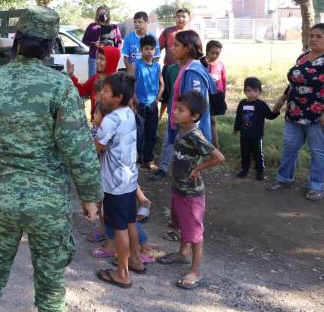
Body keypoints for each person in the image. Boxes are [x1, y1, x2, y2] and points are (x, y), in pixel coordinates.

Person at [0, 6, 102, 312]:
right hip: (48, 203)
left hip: (3, 198)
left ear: (17, 40)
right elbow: (77, 146)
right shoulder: (60, 86)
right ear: (51, 45)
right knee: (51, 289)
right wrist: (91, 196)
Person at [267, 23, 324, 201]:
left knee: (318, 150)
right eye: (311, 35)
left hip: (319, 115)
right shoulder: (302, 58)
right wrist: (281, 100)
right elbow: (294, 82)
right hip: (295, 111)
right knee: (290, 146)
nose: (313, 39)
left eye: (318, 36)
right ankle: (284, 178)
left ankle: (316, 186)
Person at [156, 92, 225, 290]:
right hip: (179, 188)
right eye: (175, 108)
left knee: (194, 232)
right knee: (182, 225)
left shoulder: (195, 134)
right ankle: (182, 254)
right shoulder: (182, 128)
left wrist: (198, 168)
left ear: (194, 116)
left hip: (191, 194)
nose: (174, 112)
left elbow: (218, 157)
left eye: (180, 110)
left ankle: (196, 270)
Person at [92, 73, 146, 288]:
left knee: (120, 227)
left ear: (118, 97)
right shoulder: (128, 112)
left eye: (105, 91)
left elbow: (98, 147)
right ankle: (135, 260)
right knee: (130, 220)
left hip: (114, 183)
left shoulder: (111, 119)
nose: (101, 94)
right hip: (129, 179)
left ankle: (123, 273)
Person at [152, 30, 216, 181]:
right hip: (181, 124)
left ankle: (191, 202)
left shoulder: (193, 72)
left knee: (189, 175)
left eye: (176, 45)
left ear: (187, 48)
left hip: (189, 131)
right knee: (181, 172)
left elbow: (195, 107)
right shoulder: (184, 67)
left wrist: (187, 131)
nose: (171, 48)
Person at [233, 77, 280, 180]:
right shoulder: (242, 103)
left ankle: (260, 171)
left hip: (257, 135)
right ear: (244, 91)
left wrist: (276, 112)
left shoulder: (261, 105)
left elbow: (269, 116)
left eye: (255, 91)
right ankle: (245, 169)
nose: (252, 93)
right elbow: (238, 117)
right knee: (244, 152)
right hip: (244, 135)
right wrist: (236, 129)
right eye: (249, 91)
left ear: (259, 92)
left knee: (258, 153)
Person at [134, 35, 164, 170]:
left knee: (151, 133)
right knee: (139, 134)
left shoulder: (157, 66)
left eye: (152, 49)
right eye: (146, 49)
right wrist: (135, 99)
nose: (149, 52)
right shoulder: (136, 65)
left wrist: (157, 99)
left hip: (153, 105)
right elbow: (130, 84)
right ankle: (137, 159)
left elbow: (162, 84)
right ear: (141, 50)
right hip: (139, 105)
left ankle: (149, 159)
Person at [67, 45, 121, 119]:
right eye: (97, 58)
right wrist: (71, 75)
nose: (97, 61)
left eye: (102, 59)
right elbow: (82, 90)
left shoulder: (117, 83)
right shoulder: (96, 78)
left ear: (111, 61)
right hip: (96, 124)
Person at [149, 59, 180, 181]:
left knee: (189, 144)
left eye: (177, 45)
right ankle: (163, 168)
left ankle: (190, 170)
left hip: (190, 116)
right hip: (173, 112)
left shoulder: (196, 68)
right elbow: (167, 93)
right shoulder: (171, 70)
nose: (172, 49)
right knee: (168, 141)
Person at [82, 5, 122, 77]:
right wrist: (94, 44)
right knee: (93, 81)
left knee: (110, 81)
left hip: (110, 59)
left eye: (104, 12)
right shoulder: (92, 26)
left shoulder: (114, 27)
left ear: (108, 14)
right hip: (95, 58)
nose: (102, 15)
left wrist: (116, 51)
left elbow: (119, 42)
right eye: (100, 13)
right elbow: (85, 40)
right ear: (97, 15)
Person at [206, 40, 227, 149]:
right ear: (207, 52)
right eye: (212, 53)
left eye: (217, 53)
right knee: (204, 120)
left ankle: (215, 145)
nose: (214, 55)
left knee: (213, 120)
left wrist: (223, 94)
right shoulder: (202, 64)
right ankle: (204, 144)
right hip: (205, 95)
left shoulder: (221, 64)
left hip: (217, 95)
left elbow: (223, 80)